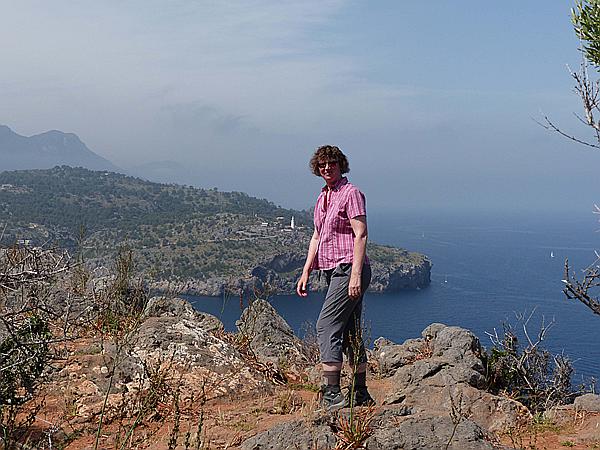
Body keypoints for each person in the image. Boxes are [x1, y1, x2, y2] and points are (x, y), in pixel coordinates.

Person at [296, 145, 374, 411]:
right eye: (322, 165)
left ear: (341, 165)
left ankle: (332, 393)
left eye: (331, 163)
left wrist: (354, 276)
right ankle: (360, 392)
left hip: (349, 269)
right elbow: (317, 236)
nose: (327, 168)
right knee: (350, 330)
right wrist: (306, 270)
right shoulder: (322, 198)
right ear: (317, 169)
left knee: (326, 326)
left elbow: (361, 234)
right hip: (333, 271)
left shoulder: (351, 194)